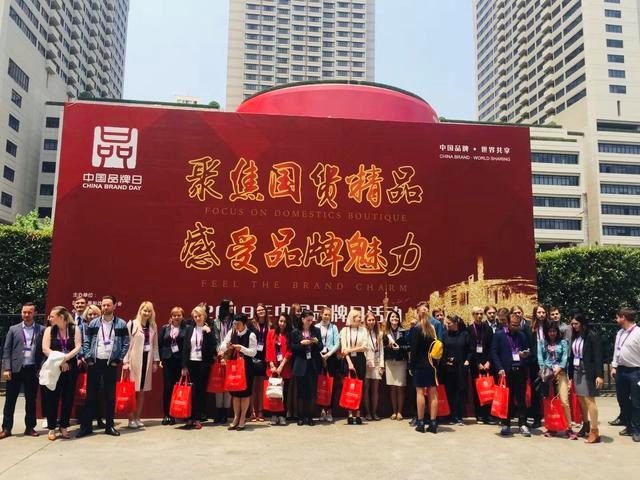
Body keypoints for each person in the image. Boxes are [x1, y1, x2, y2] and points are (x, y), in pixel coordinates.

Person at [77, 295, 130, 437]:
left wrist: (118, 360)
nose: (105, 307)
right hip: (95, 363)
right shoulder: (94, 323)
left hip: (110, 364)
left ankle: (109, 426)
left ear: (114, 306)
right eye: (103, 305)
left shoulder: (121, 324)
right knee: (90, 396)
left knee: (110, 397)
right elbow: (86, 341)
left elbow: (126, 343)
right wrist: (88, 358)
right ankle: (87, 427)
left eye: (108, 305)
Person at [1, 303, 44, 439]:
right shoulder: (13, 329)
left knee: (31, 400)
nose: (26, 315)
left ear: (34, 313)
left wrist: (41, 367)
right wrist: (7, 368)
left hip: (32, 369)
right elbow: (6, 349)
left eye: (29, 312)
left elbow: (44, 351)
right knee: (10, 400)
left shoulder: (41, 329)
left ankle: (30, 427)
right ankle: (6, 428)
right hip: (15, 369)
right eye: (24, 312)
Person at [41, 306, 82, 440]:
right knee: (52, 398)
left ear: (61, 317)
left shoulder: (74, 329)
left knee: (68, 398)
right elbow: (45, 349)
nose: (50, 318)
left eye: (52, 316)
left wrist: (65, 359)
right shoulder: (49, 330)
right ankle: (52, 428)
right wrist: (60, 361)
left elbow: (78, 347)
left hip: (70, 368)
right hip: (54, 368)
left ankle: (64, 426)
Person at [491, 312, 532, 437]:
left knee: (521, 399)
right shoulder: (499, 335)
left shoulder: (522, 335)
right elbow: (494, 352)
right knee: (506, 399)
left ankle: (522, 424)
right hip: (506, 371)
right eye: (513, 325)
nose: (515, 327)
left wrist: (525, 354)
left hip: (520, 370)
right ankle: (506, 424)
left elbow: (528, 349)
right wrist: (499, 368)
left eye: (517, 325)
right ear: (507, 323)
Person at [123, 301, 160, 429]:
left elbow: (155, 346)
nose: (146, 313)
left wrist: (155, 361)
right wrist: (126, 362)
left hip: (147, 361)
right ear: (140, 310)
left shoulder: (153, 326)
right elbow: (126, 344)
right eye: (145, 310)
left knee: (142, 391)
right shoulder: (132, 324)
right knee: (132, 391)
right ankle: (130, 418)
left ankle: (137, 417)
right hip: (133, 361)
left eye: (149, 311)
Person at [568, 312, 604, 444]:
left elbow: (598, 356)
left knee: (589, 400)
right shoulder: (575, 336)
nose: (574, 326)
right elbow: (572, 355)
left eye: (576, 323)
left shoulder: (592, 336)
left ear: (583, 323)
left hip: (588, 371)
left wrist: (599, 375)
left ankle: (595, 431)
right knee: (581, 399)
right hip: (577, 370)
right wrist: (570, 375)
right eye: (572, 324)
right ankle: (586, 424)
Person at [537, 322, 575, 439]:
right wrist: (545, 371)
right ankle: (552, 427)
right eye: (550, 331)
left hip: (561, 373)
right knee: (550, 402)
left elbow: (565, 357)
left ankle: (568, 428)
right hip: (548, 375)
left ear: (557, 332)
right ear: (547, 332)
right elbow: (540, 358)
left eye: (554, 331)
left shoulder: (563, 342)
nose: (552, 333)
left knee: (564, 401)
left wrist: (559, 369)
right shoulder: (542, 343)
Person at [181, 305, 216, 429]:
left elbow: (213, 347)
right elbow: (185, 348)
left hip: (203, 364)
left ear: (204, 316)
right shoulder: (190, 329)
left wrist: (209, 333)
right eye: (195, 316)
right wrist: (184, 366)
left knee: (201, 392)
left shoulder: (209, 329)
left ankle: (197, 418)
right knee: (191, 392)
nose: (197, 318)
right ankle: (189, 418)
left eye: (199, 316)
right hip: (191, 362)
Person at [221, 313, 257, 431]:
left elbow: (253, 352)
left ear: (244, 323)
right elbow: (222, 347)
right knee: (235, 393)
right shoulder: (232, 333)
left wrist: (241, 348)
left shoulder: (251, 334)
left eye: (238, 324)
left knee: (245, 393)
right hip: (234, 366)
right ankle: (236, 417)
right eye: (235, 323)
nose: (236, 326)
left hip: (246, 366)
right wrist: (227, 346)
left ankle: (243, 418)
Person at [611, 308, 640, 442]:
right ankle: (629, 425)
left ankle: (636, 429)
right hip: (621, 370)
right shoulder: (620, 332)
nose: (616, 319)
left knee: (636, 402)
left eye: (617, 317)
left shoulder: (638, 332)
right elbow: (616, 350)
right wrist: (614, 366)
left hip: (636, 371)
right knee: (622, 399)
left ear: (623, 317)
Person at [290, 309, 323, 426]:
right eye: (308, 320)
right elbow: (292, 348)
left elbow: (321, 346)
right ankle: (300, 417)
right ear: (302, 319)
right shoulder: (296, 332)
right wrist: (301, 344)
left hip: (312, 364)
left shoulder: (316, 330)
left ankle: (310, 417)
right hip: (301, 364)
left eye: (311, 320)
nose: (310, 322)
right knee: (301, 392)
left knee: (312, 392)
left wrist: (316, 342)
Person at [409, 309, 439, 433]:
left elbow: (414, 350)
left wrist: (411, 366)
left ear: (418, 314)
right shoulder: (432, 328)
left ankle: (421, 423)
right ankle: (433, 423)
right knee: (433, 393)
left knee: (420, 392)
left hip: (419, 364)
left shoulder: (416, 329)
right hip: (431, 364)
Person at [340, 309, 368, 424]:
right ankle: (350, 414)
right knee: (349, 387)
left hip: (360, 359)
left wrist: (351, 350)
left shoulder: (363, 330)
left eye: (360, 317)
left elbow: (365, 347)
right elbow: (343, 349)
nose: (360, 319)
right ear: (352, 318)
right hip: (347, 360)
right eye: (358, 317)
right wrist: (350, 363)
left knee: (359, 387)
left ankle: (358, 414)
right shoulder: (345, 330)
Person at [158, 307, 186, 425]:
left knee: (179, 388)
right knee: (168, 388)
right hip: (168, 361)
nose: (176, 317)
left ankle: (178, 413)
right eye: (174, 315)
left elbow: (187, 347)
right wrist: (160, 359)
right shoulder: (165, 328)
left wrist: (185, 364)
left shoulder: (187, 329)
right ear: (171, 316)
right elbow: (159, 345)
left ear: (182, 316)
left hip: (180, 362)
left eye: (179, 315)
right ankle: (167, 415)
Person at [442, 315, 471, 425]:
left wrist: (467, 360)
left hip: (460, 367)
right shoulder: (445, 334)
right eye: (447, 323)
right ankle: (449, 415)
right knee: (449, 391)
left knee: (460, 390)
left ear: (456, 323)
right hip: (448, 367)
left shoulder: (465, 334)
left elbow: (470, 350)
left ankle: (459, 416)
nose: (447, 325)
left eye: (449, 323)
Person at [468, 306, 495, 424]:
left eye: (481, 314)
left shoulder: (488, 329)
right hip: (475, 363)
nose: (479, 316)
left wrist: (489, 361)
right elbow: (470, 349)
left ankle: (488, 415)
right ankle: (479, 414)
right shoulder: (469, 329)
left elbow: (491, 347)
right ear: (473, 315)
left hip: (487, 363)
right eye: (477, 314)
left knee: (488, 389)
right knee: (477, 389)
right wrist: (477, 363)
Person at [266, 312, 293, 426]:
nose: (282, 324)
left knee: (283, 393)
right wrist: (272, 364)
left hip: (285, 368)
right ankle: (273, 415)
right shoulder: (271, 333)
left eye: (285, 322)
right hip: (272, 368)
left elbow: (290, 351)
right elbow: (268, 348)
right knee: (273, 392)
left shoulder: (290, 335)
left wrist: (282, 365)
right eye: (281, 321)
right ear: (278, 321)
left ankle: (282, 415)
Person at [383, 309, 408, 420]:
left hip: (401, 361)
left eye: (396, 317)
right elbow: (382, 348)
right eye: (392, 317)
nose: (394, 318)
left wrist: (400, 348)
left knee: (400, 387)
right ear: (389, 319)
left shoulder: (404, 331)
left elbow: (409, 346)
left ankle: (400, 412)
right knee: (392, 388)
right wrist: (388, 347)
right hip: (389, 362)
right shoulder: (385, 333)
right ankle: (394, 411)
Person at [212, 299, 234, 424]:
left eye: (232, 306)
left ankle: (225, 412)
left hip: (231, 355)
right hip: (219, 355)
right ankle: (218, 411)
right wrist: (220, 355)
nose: (232, 308)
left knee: (228, 385)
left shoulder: (234, 321)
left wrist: (228, 353)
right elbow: (215, 340)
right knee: (218, 384)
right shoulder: (216, 322)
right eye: (229, 306)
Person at [316, 306, 340, 422]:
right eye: (325, 314)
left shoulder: (333, 327)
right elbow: (315, 343)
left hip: (331, 358)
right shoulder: (316, 327)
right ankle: (322, 411)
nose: (327, 316)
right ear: (321, 314)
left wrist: (328, 354)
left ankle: (329, 411)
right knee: (320, 384)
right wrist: (321, 355)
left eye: (329, 315)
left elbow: (337, 344)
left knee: (331, 385)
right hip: (319, 357)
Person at [250, 303, 270, 422]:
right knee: (253, 386)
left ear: (265, 311)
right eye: (258, 310)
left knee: (261, 387)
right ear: (256, 312)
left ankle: (260, 411)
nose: (261, 311)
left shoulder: (269, 325)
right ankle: (252, 411)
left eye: (262, 310)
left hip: (264, 359)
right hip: (252, 358)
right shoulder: (252, 324)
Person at [363, 311, 384, 421]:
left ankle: (374, 412)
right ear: (365, 321)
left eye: (373, 320)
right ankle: (367, 413)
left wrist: (381, 365)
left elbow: (381, 351)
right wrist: (367, 361)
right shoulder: (362, 332)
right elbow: (362, 348)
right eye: (369, 320)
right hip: (366, 364)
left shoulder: (379, 333)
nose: (371, 322)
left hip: (376, 364)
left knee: (375, 390)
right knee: (366, 389)